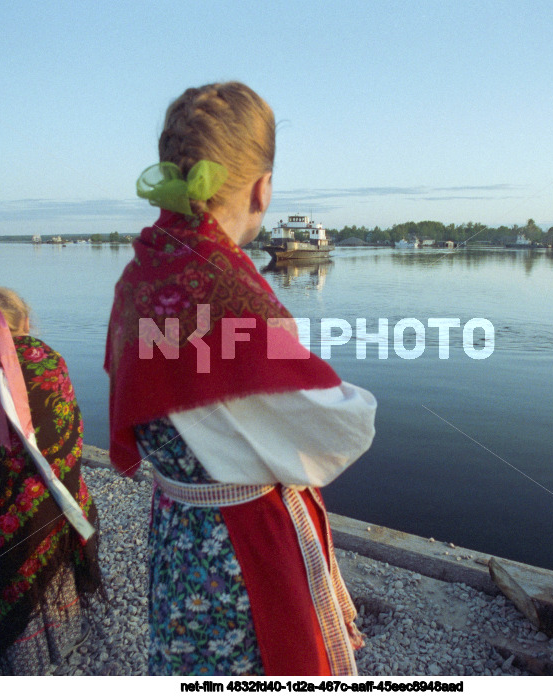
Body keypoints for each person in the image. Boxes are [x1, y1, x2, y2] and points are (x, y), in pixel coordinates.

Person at [105, 82, 376, 676]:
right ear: (261, 188)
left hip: (179, 530)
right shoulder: (229, 290)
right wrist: (358, 403)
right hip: (237, 546)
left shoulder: (138, 278)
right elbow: (331, 428)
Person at [0, 287, 103, 674]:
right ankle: (51, 640)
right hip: (41, 485)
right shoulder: (47, 359)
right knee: (59, 523)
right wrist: (64, 478)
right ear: (25, 319)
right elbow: (67, 427)